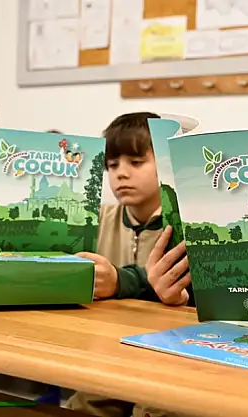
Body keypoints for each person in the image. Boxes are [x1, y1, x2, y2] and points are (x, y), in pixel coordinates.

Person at [66, 112, 187, 417]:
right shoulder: (94, 220)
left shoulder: (186, 224)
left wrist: (121, 281)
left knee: (155, 409)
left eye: (136, 162)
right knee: (84, 403)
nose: (121, 174)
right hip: (109, 349)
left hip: (172, 356)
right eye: (112, 165)